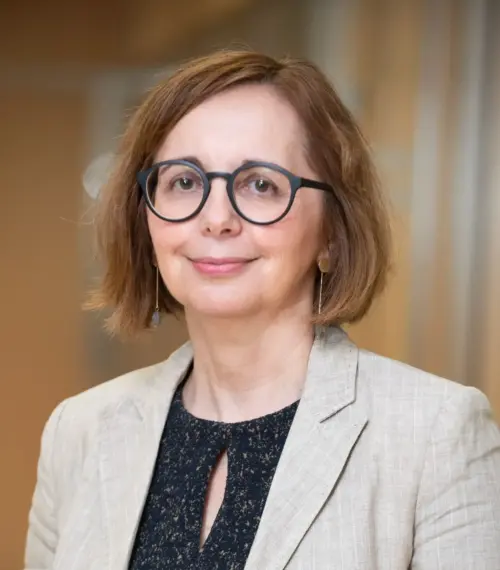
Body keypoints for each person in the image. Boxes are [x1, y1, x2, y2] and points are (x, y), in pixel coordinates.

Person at [24, 49, 500, 570]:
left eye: (260, 184)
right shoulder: (79, 431)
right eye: (185, 181)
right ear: (146, 220)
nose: (216, 218)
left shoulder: (434, 434)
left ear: (332, 232)